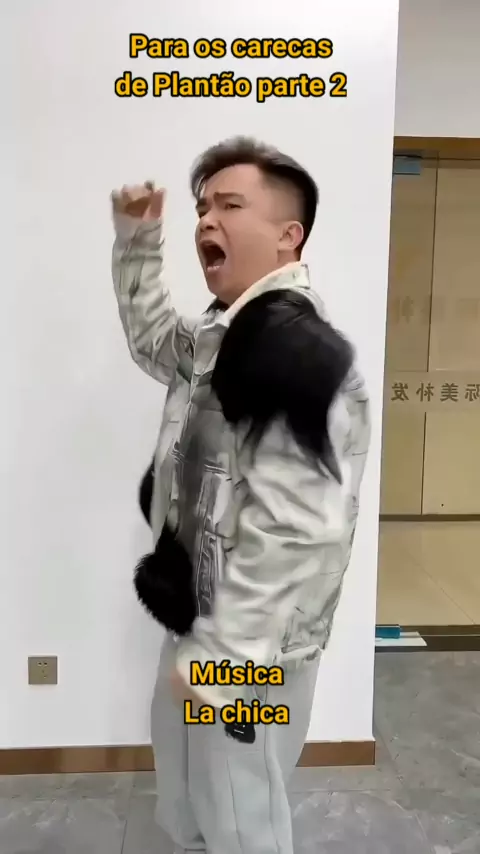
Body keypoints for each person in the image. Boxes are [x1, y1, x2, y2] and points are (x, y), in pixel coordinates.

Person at [111, 137, 370, 854]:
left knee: (240, 816)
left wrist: (226, 661)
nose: (206, 220)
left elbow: (300, 530)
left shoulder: (297, 354)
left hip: (249, 650)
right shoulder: (222, 335)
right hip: (197, 620)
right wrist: (136, 243)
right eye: (203, 207)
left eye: (230, 205)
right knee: (188, 800)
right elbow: (155, 343)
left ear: (289, 236)